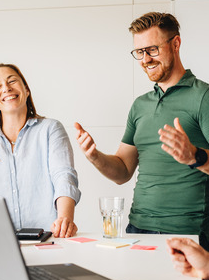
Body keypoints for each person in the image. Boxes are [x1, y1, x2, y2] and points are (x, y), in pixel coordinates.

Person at [75, 12, 209, 247]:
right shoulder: (140, 105)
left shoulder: (203, 97)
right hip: (137, 229)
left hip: (189, 232)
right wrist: (94, 156)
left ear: (175, 44)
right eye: (139, 52)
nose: (145, 59)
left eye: (152, 50)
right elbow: (123, 171)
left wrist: (194, 156)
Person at [0, 63, 81, 238]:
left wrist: (65, 218)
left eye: (12, 81)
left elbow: (64, 177)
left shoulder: (50, 129)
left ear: (26, 89)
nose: (7, 89)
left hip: (49, 238)